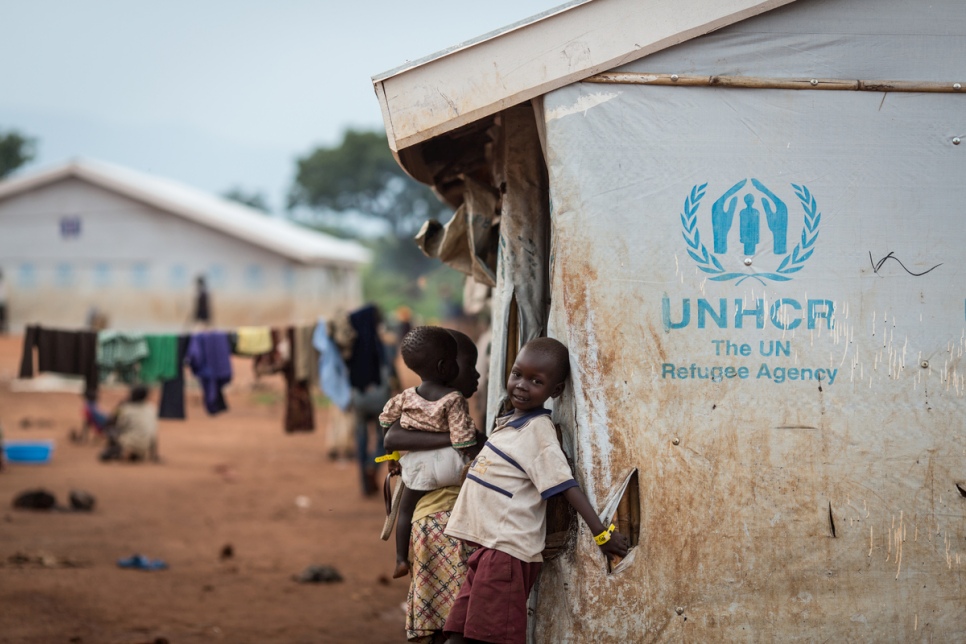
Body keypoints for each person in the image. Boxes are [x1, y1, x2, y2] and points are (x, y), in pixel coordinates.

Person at [443, 337, 630, 644]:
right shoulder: (510, 422)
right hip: (487, 551)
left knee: (484, 638)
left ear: (554, 391)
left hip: (505, 553)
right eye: (517, 374)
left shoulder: (539, 432)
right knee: (457, 636)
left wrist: (602, 535)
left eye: (536, 381)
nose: (521, 385)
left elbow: (566, 485)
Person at [384, 329, 482, 643]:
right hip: (449, 525)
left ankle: (400, 557)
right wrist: (458, 442)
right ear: (446, 369)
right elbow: (392, 438)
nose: (477, 373)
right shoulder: (453, 404)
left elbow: (389, 430)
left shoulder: (409, 398)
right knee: (457, 614)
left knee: (439, 610)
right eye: (468, 365)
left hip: (424, 523)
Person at [100, 385, 159, 462]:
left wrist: (119, 405)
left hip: (129, 442)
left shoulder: (125, 408)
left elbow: (114, 423)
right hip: (145, 446)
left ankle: (115, 450)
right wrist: (154, 455)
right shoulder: (151, 408)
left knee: (111, 429)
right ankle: (135, 454)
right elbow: (153, 433)